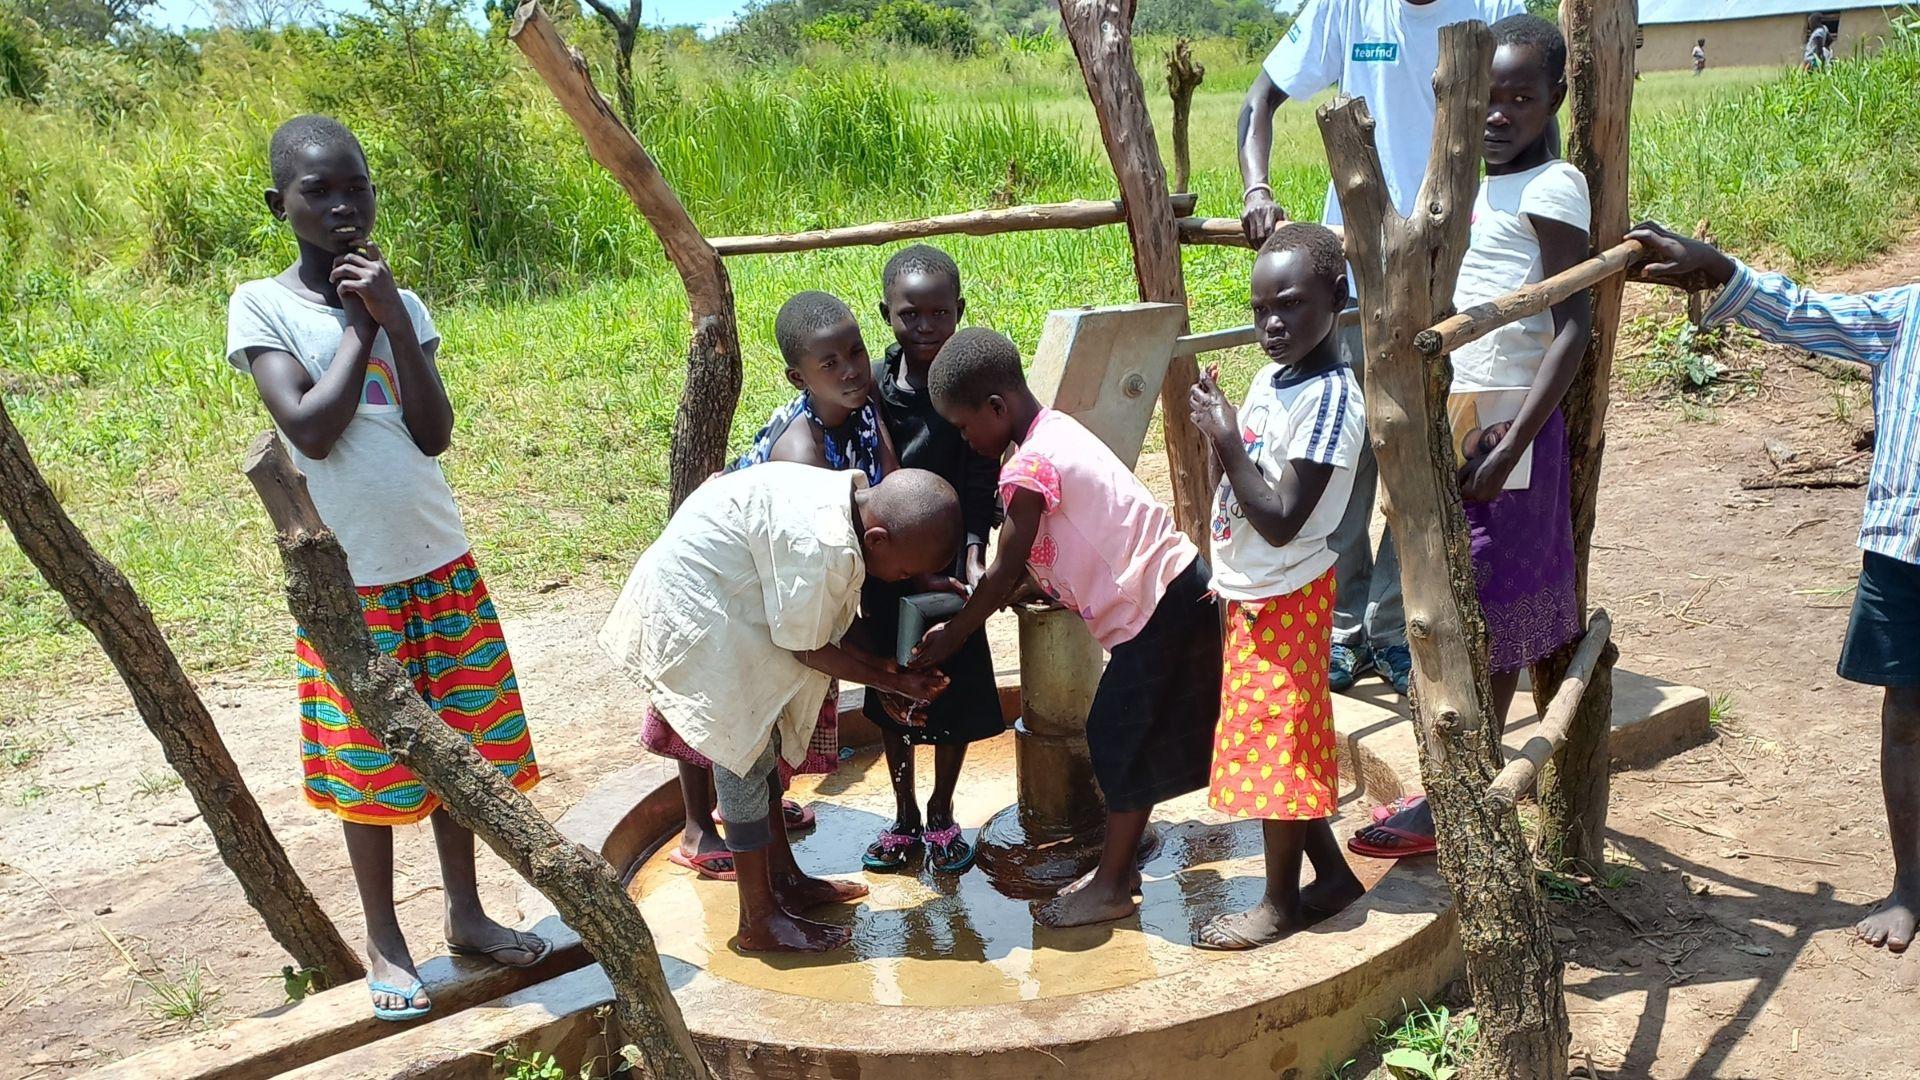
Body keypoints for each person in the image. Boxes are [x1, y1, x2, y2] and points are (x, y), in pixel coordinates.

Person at [226, 115, 546, 1021]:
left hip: (437, 561)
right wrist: (363, 323)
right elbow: (314, 429)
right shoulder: (263, 305)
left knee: (458, 753)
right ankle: (383, 936)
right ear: (279, 204)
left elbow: (433, 431)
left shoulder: (405, 305)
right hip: (352, 585)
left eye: (354, 187)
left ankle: (468, 913)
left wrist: (394, 316)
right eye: (317, 191)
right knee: (371, 769)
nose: (340, 206)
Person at [1628, 220, 1920, 953]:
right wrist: (1716, 267)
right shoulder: (1905, 316)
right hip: (1906, 549)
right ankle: (1912, 884)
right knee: (1907, 714)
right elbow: (1804, 312)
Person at [1352, 13, 1593, 860]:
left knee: (1485, 609)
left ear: (1555, 96)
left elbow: (1571, 328)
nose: (1499, 114)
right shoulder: (1460, 181)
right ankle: (1455, 785)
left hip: (1506, 418)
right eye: (1485, 97)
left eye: (1521, 97)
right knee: (1453, 597)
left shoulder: (1552, 186)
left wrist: (1516, 441)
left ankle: (1461, 794)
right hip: (1458, 409)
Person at [1237, 0, 1528, 697]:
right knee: (1343, 460)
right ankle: (1343, 630)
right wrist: (1257, 186)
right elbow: (1259, 98)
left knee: (1424, 463)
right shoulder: (1348, 6)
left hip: (1454, 273)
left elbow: (1529, 106)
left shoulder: (1493, 6)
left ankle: (1397, 629)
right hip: (1356, 272)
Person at [914, 329, 1222, 929]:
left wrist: (955, 633)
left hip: (1156, 602)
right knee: (1129, 732)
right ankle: (1122, 865)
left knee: (1114, 735)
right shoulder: (1053, 430)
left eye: (962, 425)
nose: (963, 438)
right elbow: (1070, 537)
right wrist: (1036, 583)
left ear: (996, 408)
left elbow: (1005, 568)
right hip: (1176, 588)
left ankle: (1111, 884)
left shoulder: (1026, 469)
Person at [601, 464, 962, 952]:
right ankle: (758, 920)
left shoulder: (848, 511)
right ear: (877, 540)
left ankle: (783, 878)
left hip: (734, 604)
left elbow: (821, 628)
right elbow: (806, 647)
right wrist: (885, 680)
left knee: (762, 740)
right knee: (743, 750)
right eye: (902, 571)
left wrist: (888, 674)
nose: (900, 580)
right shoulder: (822, 545)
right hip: (700, 610)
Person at [640, 291, 896, 883]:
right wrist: (884, 671)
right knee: (725, 715)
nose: (852, 369)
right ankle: (704, 831)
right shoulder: (799, 450)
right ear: (798, 377)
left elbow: (891, 480)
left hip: (774, 582)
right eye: (830, 364)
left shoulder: (862, 405)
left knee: (768, 717)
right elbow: (803, 592)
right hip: (732, 589)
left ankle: (766, 844)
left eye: (856, 352)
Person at [1187, 223, 1370, 949]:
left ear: (1338, 296)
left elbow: (1285, 518)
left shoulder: (1329, 398)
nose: (1271, 324)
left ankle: (1278, 905)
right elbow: (1246, 495)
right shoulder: (1276, 377)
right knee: (1278, 742)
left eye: (1290, 306)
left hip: (1289, 591)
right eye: (1261, 307)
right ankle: (1329, 877)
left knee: (1275, 750)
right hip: (1256, 591)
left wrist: (1225, 436)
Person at [860, 245, 1006, 875]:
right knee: (890, 686)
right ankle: (903, 816)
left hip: (947, 569)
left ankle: (943, 812)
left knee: (953, 685)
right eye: (909, 315)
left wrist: (974, 558)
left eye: (939, 315)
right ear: (887, 313)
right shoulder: (873, 389)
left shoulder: (969, 385)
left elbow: (980, 479)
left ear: (959, 312)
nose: (924, 328)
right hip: (887, 563)